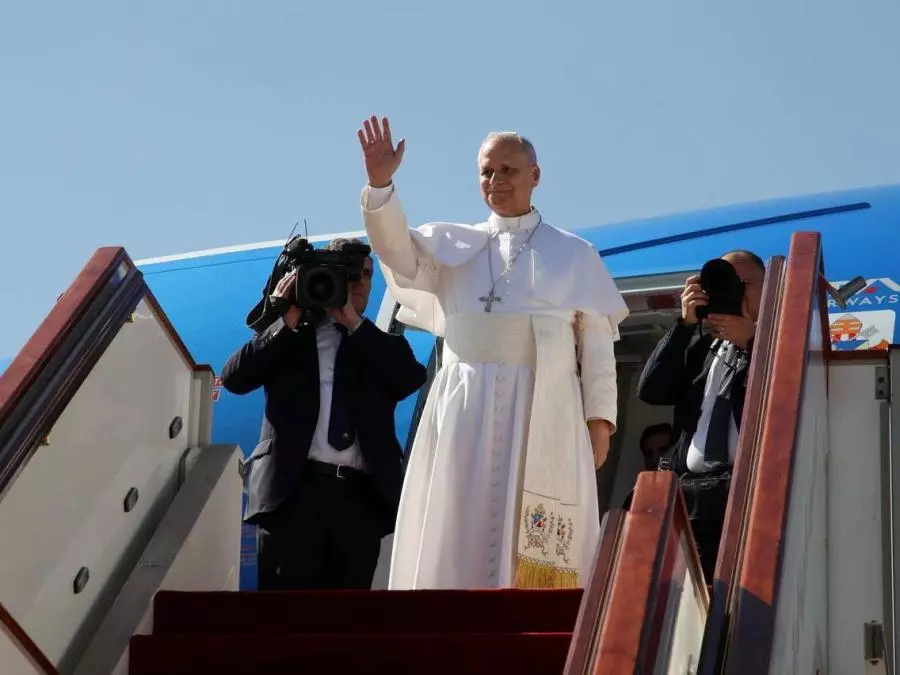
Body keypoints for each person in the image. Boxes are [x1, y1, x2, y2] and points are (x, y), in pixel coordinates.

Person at [356, 115, 629, 590]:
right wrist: (381, 186)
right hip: (465, 406)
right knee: (459, 513)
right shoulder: (452, 245)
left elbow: (598, 348)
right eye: (487, 171)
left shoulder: (575, 254)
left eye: (508, 170)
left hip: (545, 408)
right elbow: (396, 251)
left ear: (535, 176)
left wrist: (600, 423)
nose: (496, 181)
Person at [220, 238, 427, 590]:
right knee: (287, 626)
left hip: (359, 500)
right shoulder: (289, 338)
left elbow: (409, 379)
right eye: (349, 274)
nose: (359, 283)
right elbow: (234, 379)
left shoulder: (379, 343)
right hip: (294, 495)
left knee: (347, 626)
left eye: (366, 275)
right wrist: (284, 319)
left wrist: (353, 323)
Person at [637, 250, 765, 579]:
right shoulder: (701, 346)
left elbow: (791, 391)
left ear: (771, 288)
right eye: (723, 284)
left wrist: (754, 342)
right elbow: (651, 391)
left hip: (748, 495)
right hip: (692, 494)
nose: (733, 291)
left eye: (744, 283)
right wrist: (684, 325)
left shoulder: (782, 342)